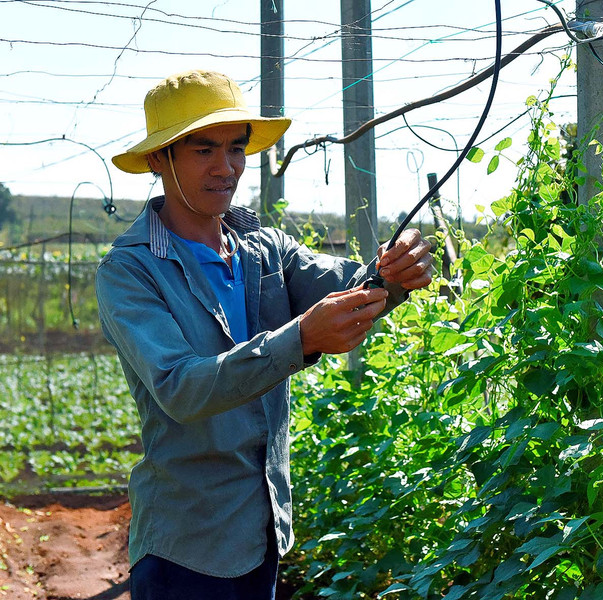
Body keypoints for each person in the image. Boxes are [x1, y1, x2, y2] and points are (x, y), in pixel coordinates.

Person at [95, 69, 433, 599]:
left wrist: (395, 272)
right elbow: (181, 387)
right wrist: (301, 338)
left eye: (235, 149)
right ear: (160, 159)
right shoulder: (131, 270)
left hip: (264, 531)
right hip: (187, 546)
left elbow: (351, 285)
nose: (225, 167)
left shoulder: (262, 248)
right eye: (203, 150)